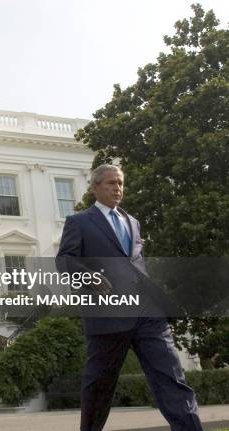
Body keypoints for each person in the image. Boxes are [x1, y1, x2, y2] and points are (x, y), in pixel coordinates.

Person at [56, 164, 203, 431]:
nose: (118, 188)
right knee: (99, 386)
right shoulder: (79, 222)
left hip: (147, 314)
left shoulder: (132, 222)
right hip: (107, 316)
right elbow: (64, 261)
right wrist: (88, 277)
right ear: (95, 188)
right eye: (111, 183)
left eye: (121, 183)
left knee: (172, 378)